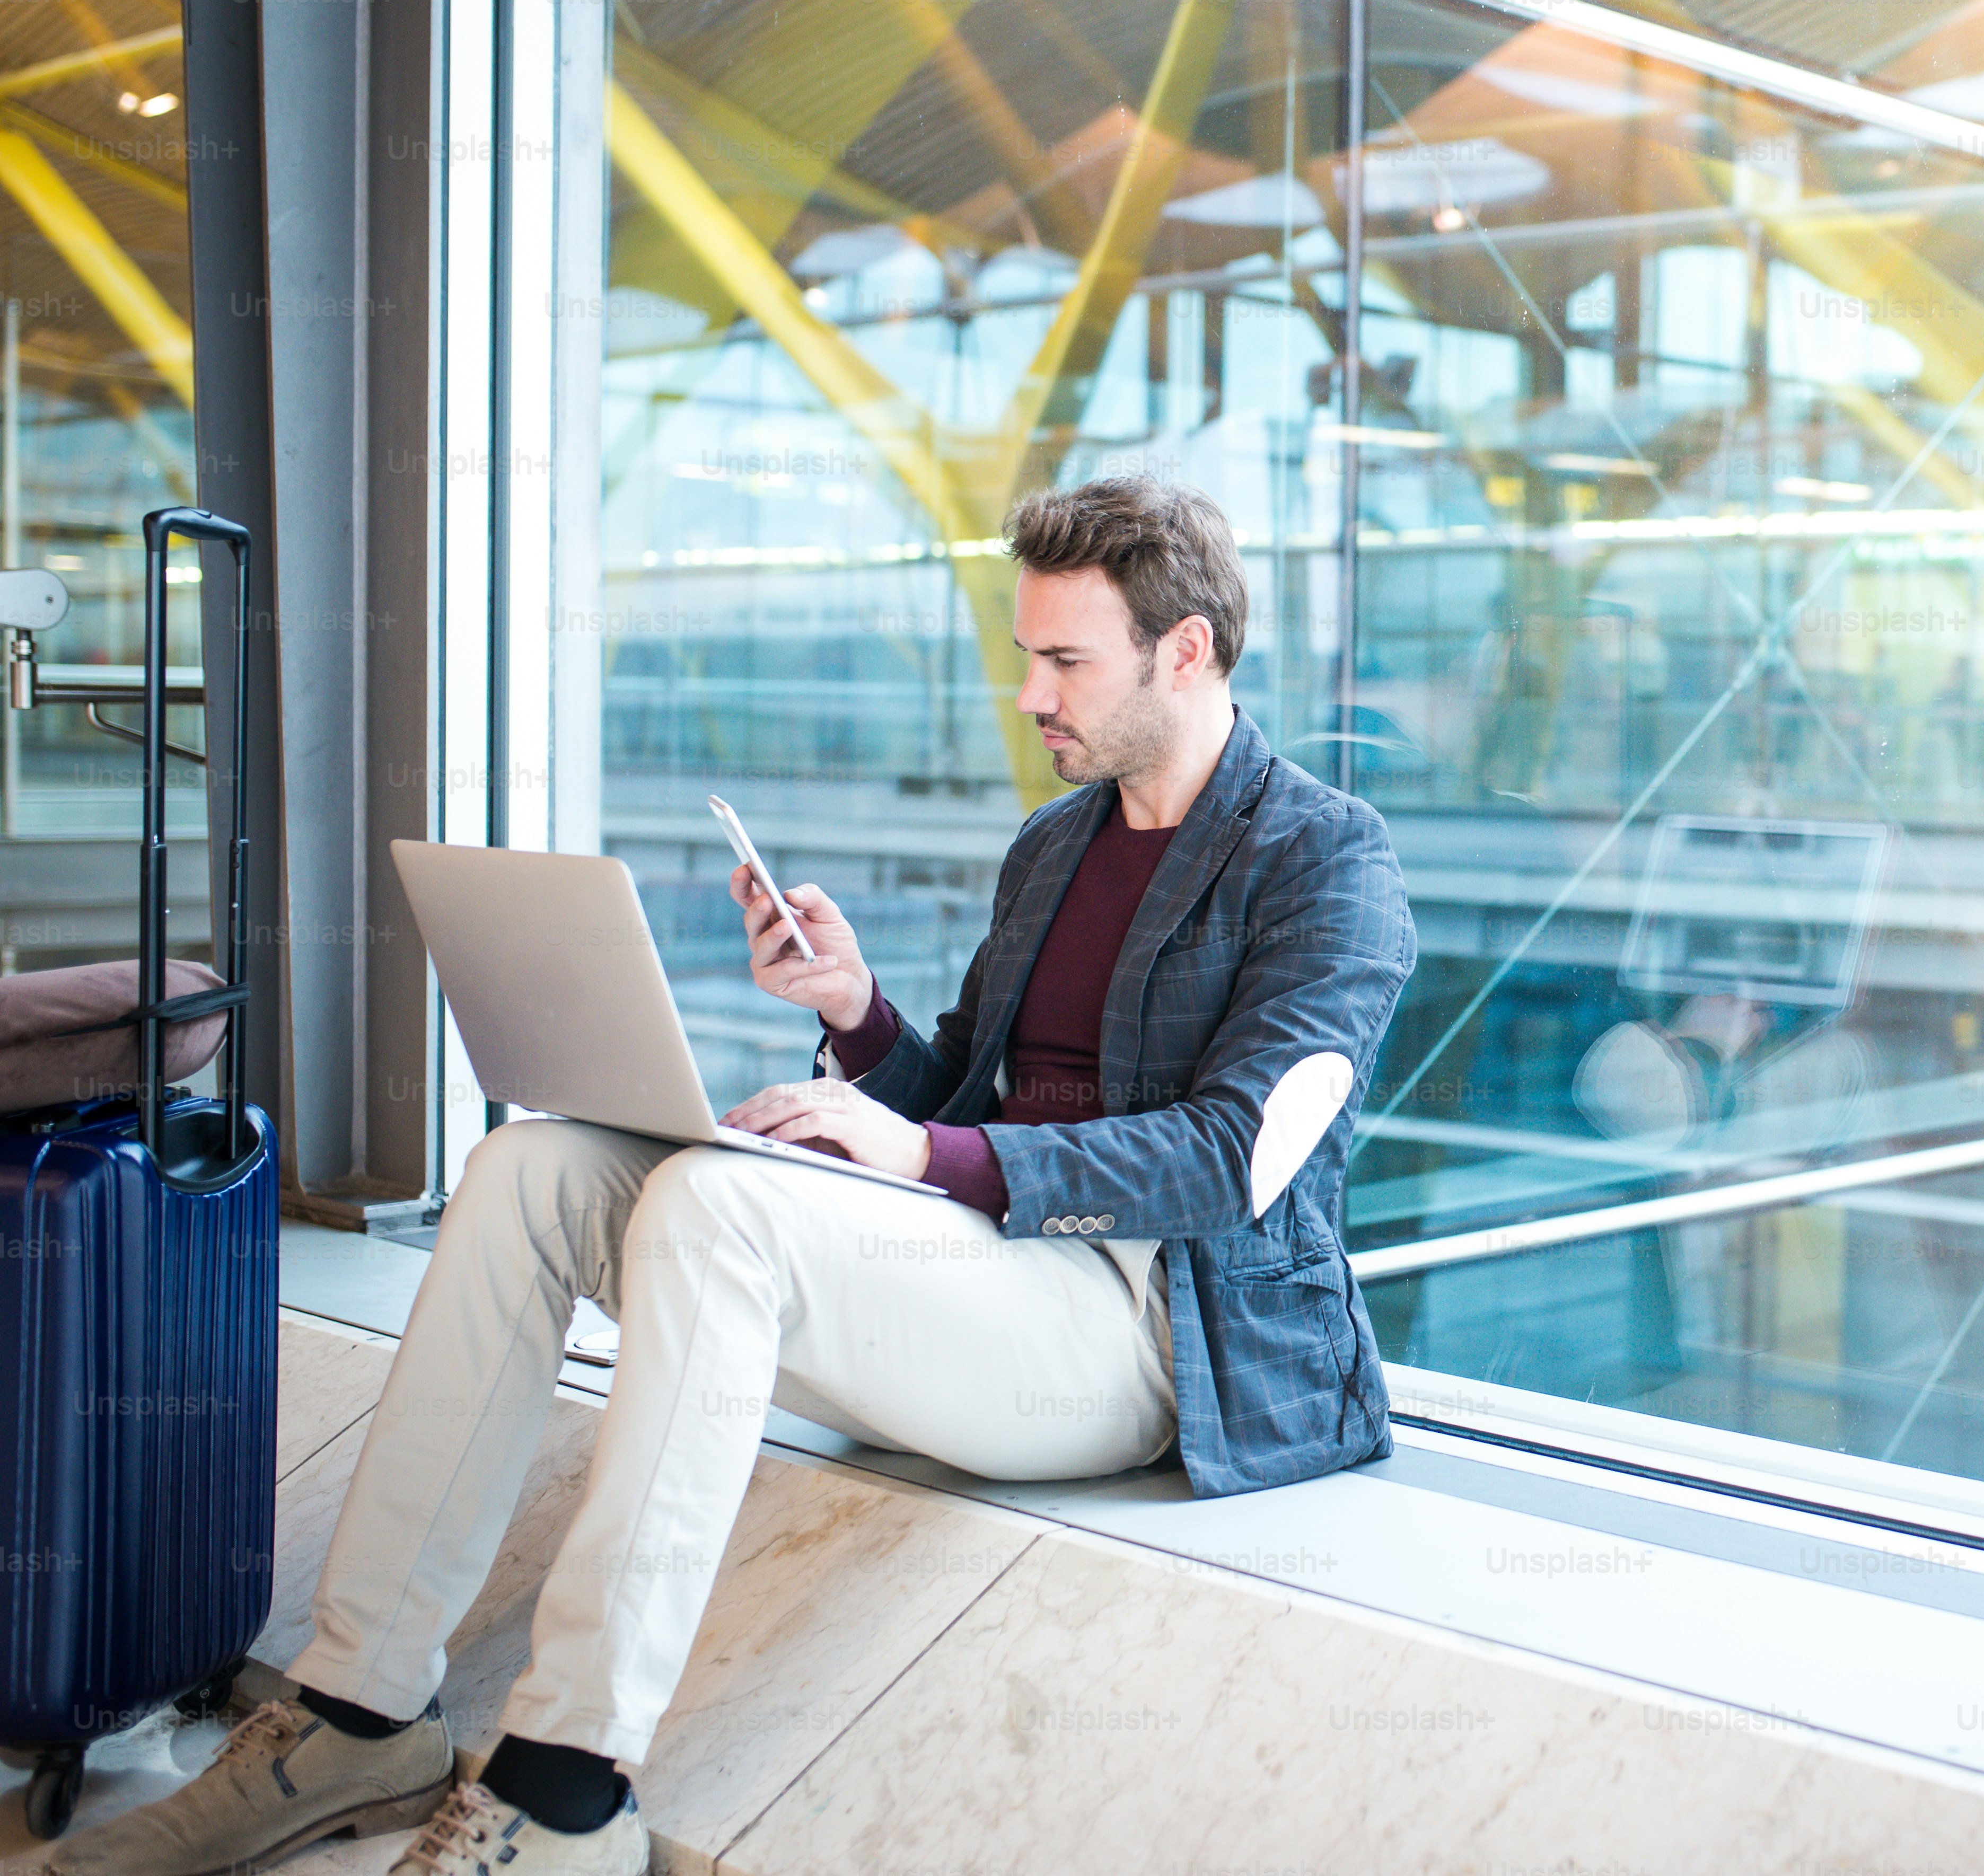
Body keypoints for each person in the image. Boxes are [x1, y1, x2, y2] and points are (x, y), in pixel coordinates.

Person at [55, 479, 1417, 1876]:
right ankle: (354, 1708)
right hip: (992, 1286)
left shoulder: (1326, 862)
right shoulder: (1055, 843)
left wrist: (924, 1149)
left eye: (1063, 661)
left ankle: (567, 1794)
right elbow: (957, 1096)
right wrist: (854, 1019)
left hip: (1154, 1334)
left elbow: (1231, 1158)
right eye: (1026, 656)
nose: (1029, 695)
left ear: (1184, 651)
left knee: (715, 1202)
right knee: (532, 1166)